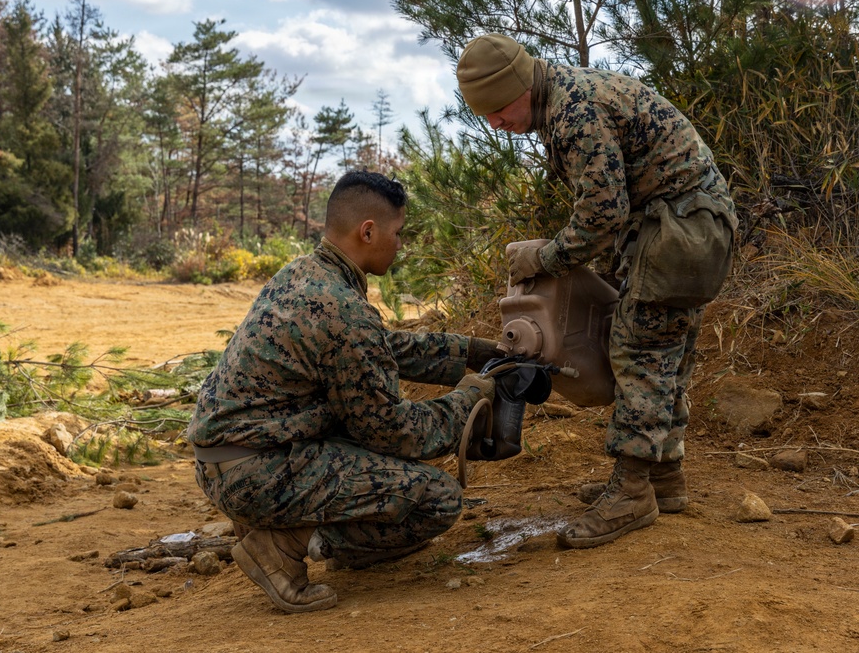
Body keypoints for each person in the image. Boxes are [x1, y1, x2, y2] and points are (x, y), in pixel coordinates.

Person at [456, 34, 738, 549]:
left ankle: (631, 493)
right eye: (485, 115)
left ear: (521, 86)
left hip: (680, 232)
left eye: (498, 109)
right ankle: (663, 477)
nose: (495, 123)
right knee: (665, 354)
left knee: (640, 354)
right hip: (688, 227)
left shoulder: (575, 112)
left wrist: (545, 259)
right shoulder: (564, 97)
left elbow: (603, 214)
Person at [187, 170, 503, 613]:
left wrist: (469, 352)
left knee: (377, 463)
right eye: (398, 233)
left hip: (226, 462)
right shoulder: (342, 309)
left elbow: (381, 347)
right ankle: (283, 544)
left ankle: (286, 527)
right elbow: (394, 432)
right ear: (368, 232)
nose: (401, 244)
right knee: (437, 499)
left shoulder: (304, 274)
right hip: (257, 474)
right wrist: (468, 400)